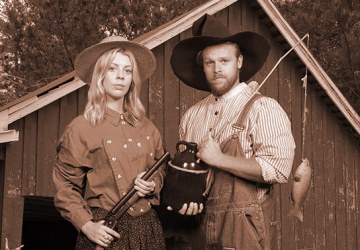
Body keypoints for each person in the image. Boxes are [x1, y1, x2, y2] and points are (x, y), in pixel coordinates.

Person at [169, 14, 296, 249]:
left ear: (239, 62)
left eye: (224, 61)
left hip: (242, 230)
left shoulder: (262, 107)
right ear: (202, 66)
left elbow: (277, 169)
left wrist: (220, 159)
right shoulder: (191, 116)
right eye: (210, 62)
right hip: (195, 231)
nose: (217, 69)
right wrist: (186, 201)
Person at [53, 35, 166, 250]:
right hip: (104, 229)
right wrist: (86, 225)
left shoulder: (148, 127)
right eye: (113, 69)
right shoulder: (80, 128)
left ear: (133, 78)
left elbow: (160, 169)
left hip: (148, 229)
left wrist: (153, 184)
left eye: (127, 70)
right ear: (100, 75)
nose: (120, 77)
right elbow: (65, 186)